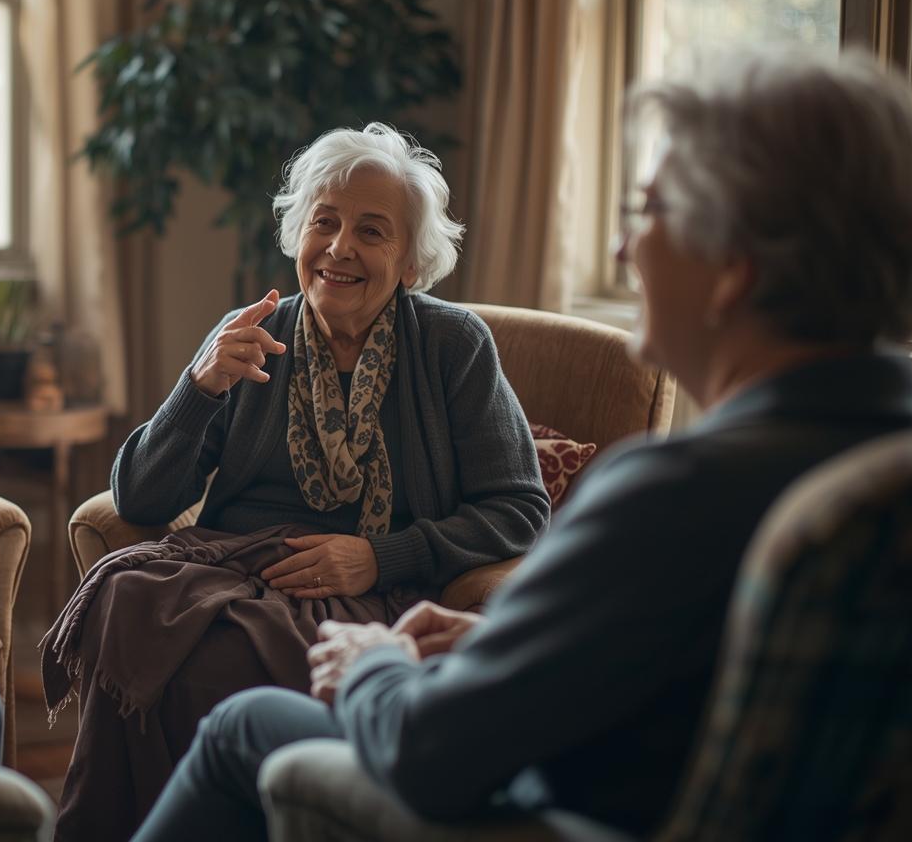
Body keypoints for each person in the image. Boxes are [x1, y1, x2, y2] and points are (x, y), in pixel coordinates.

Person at [131, 49, 912, 841]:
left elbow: (430, 753)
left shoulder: (672, 496)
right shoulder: (884, 481)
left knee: (245, 722)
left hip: (556, 808)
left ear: (733, 271)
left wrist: (376, 661)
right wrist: (498, 643)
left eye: (649, 212)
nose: (623, 252)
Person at [42, 122, 551, 840]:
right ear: (298, 234)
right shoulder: (252, 333)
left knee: (206, 662)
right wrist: (202, 385)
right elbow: (141, 500)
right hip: (235, 568)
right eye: (325, 222)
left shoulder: (452, 345)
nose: (341, 247)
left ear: (409, 261)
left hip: (369, 594)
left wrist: (381, 554)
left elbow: (520, 508)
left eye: (372, 232)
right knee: (126, 595)